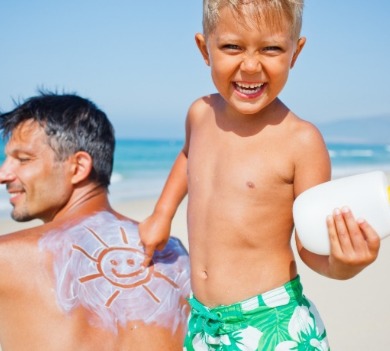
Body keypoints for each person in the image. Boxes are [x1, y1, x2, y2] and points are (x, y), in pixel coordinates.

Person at [139, 0, 381, 349]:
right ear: (204, 48)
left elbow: (310, 244)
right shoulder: (200, 114)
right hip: (204, 322)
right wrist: (162, 214)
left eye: (271, 48)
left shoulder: (301, 142)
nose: (250, 65)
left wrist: (342, 266)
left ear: (295, 53)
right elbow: (188, 156)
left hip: (273, 322)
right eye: (232, 46)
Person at [0, 92, 191, 351]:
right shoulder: (173, 255)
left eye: (23, 159)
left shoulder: (8, 257)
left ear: (78, 166)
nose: (3, 174)